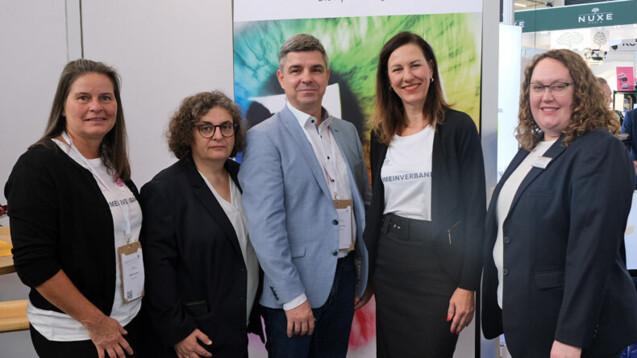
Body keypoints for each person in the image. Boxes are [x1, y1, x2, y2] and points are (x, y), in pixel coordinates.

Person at [482, 49, 637, 357]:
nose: (546, 96)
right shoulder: (532, 147)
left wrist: (571, 338)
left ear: (580, 91)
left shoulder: (598, 151)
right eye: (538, 87)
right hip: (528, 324)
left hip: (566, 336)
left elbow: (592, 254)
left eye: (558, 86)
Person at [238, 34, 369, 358]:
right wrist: (292, 297)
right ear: (282, 78)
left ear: (326, 76)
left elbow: (360, 200)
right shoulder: (262, 138)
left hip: (343, 280)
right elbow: (265, 226)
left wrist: (359, 273)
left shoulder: (346, 131)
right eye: (296, 70)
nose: (306, 77)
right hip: (294, 292)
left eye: (315, 69)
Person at [357, 31, 486, 357]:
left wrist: (468, 284)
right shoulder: (381, 133)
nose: (407, 76)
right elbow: (378, 207)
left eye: (415, 65)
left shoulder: (458, 127)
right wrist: (368, 273)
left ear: (430, 68)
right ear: (387, 79)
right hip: (391, 264)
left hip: (440, 268)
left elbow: (474, 211)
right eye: (397, 69)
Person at [5, 59, 144, 357]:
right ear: (63, 106)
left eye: (106, 97)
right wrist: (96, 323)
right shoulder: (38, 167)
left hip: (124, 321)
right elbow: (35, 263)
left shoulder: (109, 163)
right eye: (84, 97)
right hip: (77, 335)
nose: (97, 106)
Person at [139, 91, 262, 357]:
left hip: (237, 326)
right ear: (187, 134)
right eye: (206, 127)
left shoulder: (244, 178)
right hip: (196, 336)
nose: (218, 135)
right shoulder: (164, 190)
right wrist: (177, 330)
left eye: (226, 127)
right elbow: (158, 270)